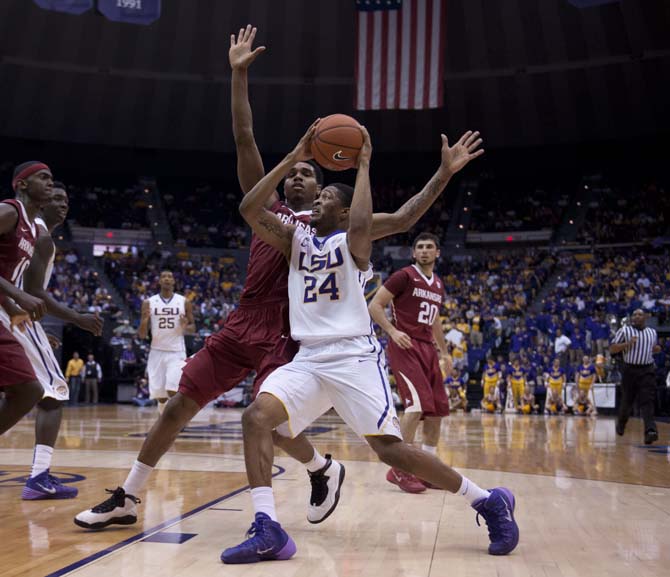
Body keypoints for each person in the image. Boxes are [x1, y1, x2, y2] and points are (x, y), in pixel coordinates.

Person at [74, 25, 485, 531]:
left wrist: (442, 174)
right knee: (180, 404)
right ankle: (129, 496)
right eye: (294, 172)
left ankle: (316, 470)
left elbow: (400, 219)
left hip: (291, 332)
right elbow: (244, 137)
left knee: (270, 421)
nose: (297, 177)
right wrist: (239, 76)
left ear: (321, 190)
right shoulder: (268, 210)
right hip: (243, 319)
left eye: (308, 174)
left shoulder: (331, 231)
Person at [220, 121, 518, 564]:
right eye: (316, 196)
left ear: (342, 213)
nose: (316, 201)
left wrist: (372, 165)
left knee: (389, 451)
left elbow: (396, 217)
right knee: (256, 419)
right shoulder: (294, 240)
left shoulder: (354, 244)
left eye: (325, 198)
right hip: (309, 357)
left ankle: (486, 499)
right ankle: (268, 529)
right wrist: (294, 154)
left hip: (354, 356)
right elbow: (249, 209)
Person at [16, 183, 103, 499]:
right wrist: (78, 318)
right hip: (12, 318)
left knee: (22, 393)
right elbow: (34, 292)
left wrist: (33, 325)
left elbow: (21, 286)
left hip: (16, 318)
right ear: (40, 203)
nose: (62, 204)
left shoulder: (34, 233)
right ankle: (39, 478)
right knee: (54, 394)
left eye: (66, 199)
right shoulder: (41, 236)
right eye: (55, 198)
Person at [368, 232, 451, 494]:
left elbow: (435, 320)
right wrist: (393, 331)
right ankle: (400, 468)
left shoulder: (438, 283)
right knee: (414, 408)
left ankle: (427, 470)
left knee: (436, 413)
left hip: (427, 349)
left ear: (437, 253)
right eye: (420, 247)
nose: (425, 250)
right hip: (405, 345)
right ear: (414, 253)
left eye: (430, 247)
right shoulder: (404, 275)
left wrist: (445, 352)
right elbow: (375, 305)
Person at [0, 161, 51, 436]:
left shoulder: (32, 231)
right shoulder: (9, 211)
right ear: (22, 184)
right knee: (28, 390)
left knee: (28, 390)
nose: (50, 183)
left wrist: (18, 316)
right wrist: (19, 294)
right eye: (43, 177)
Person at [137, 270, 195, 414]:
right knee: (161, 397)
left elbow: (193, 328)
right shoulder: (148, 302)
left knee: (172, 389)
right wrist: (144, 321)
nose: (167, 279)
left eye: (170, 276)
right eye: (164, 276)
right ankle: (164, 419)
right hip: (156, 350)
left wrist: (185, 326)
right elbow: (142, 335)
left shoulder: (184, 302)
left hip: (177, 351)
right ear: (159, 281)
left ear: (174, 281)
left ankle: (175, 420)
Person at [611, 309, 661, 444]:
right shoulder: (624, 331)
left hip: (647, 369)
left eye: (640, 314)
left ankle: (650, 431)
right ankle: (621, 424)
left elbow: (655, 348)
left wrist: (657, 349)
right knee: (627, 401)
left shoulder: (652, 332)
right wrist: (627, 344)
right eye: (634, 314)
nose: (637, 317)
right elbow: (612, 348)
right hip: (630, 370)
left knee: (647, 401)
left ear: (645, 317)